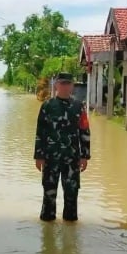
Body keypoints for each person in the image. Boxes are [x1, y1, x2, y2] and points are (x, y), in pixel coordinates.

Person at [34, 72, 91, 222]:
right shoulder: (47, 106)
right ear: (56, 85)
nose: (65, 86)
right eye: (62, 83)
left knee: (72, 194)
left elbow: (84, 131)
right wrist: (39, 156)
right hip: (50, 158)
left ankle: (70, 233)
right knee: (49, 194)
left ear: (72, 86)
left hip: (72, 158)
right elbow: (41, 132)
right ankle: (47, 233)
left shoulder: (79, 107)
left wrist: (85, 156)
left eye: (68, 83)